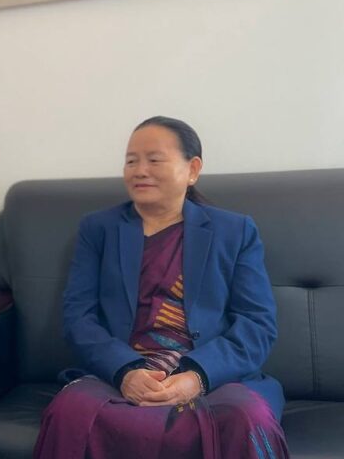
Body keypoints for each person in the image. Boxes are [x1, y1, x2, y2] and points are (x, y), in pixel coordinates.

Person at [33, 116, 289, 458]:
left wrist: (197, 377)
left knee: (246, 418)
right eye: (131, 161)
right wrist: (125, 371)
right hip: (117, 375)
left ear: (192, 169)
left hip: (215, 378)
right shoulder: (99, 229)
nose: (140, 171)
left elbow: (257, 324)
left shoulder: (235, 231)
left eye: (154, 160)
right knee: (71, 413)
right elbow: (79, 318)